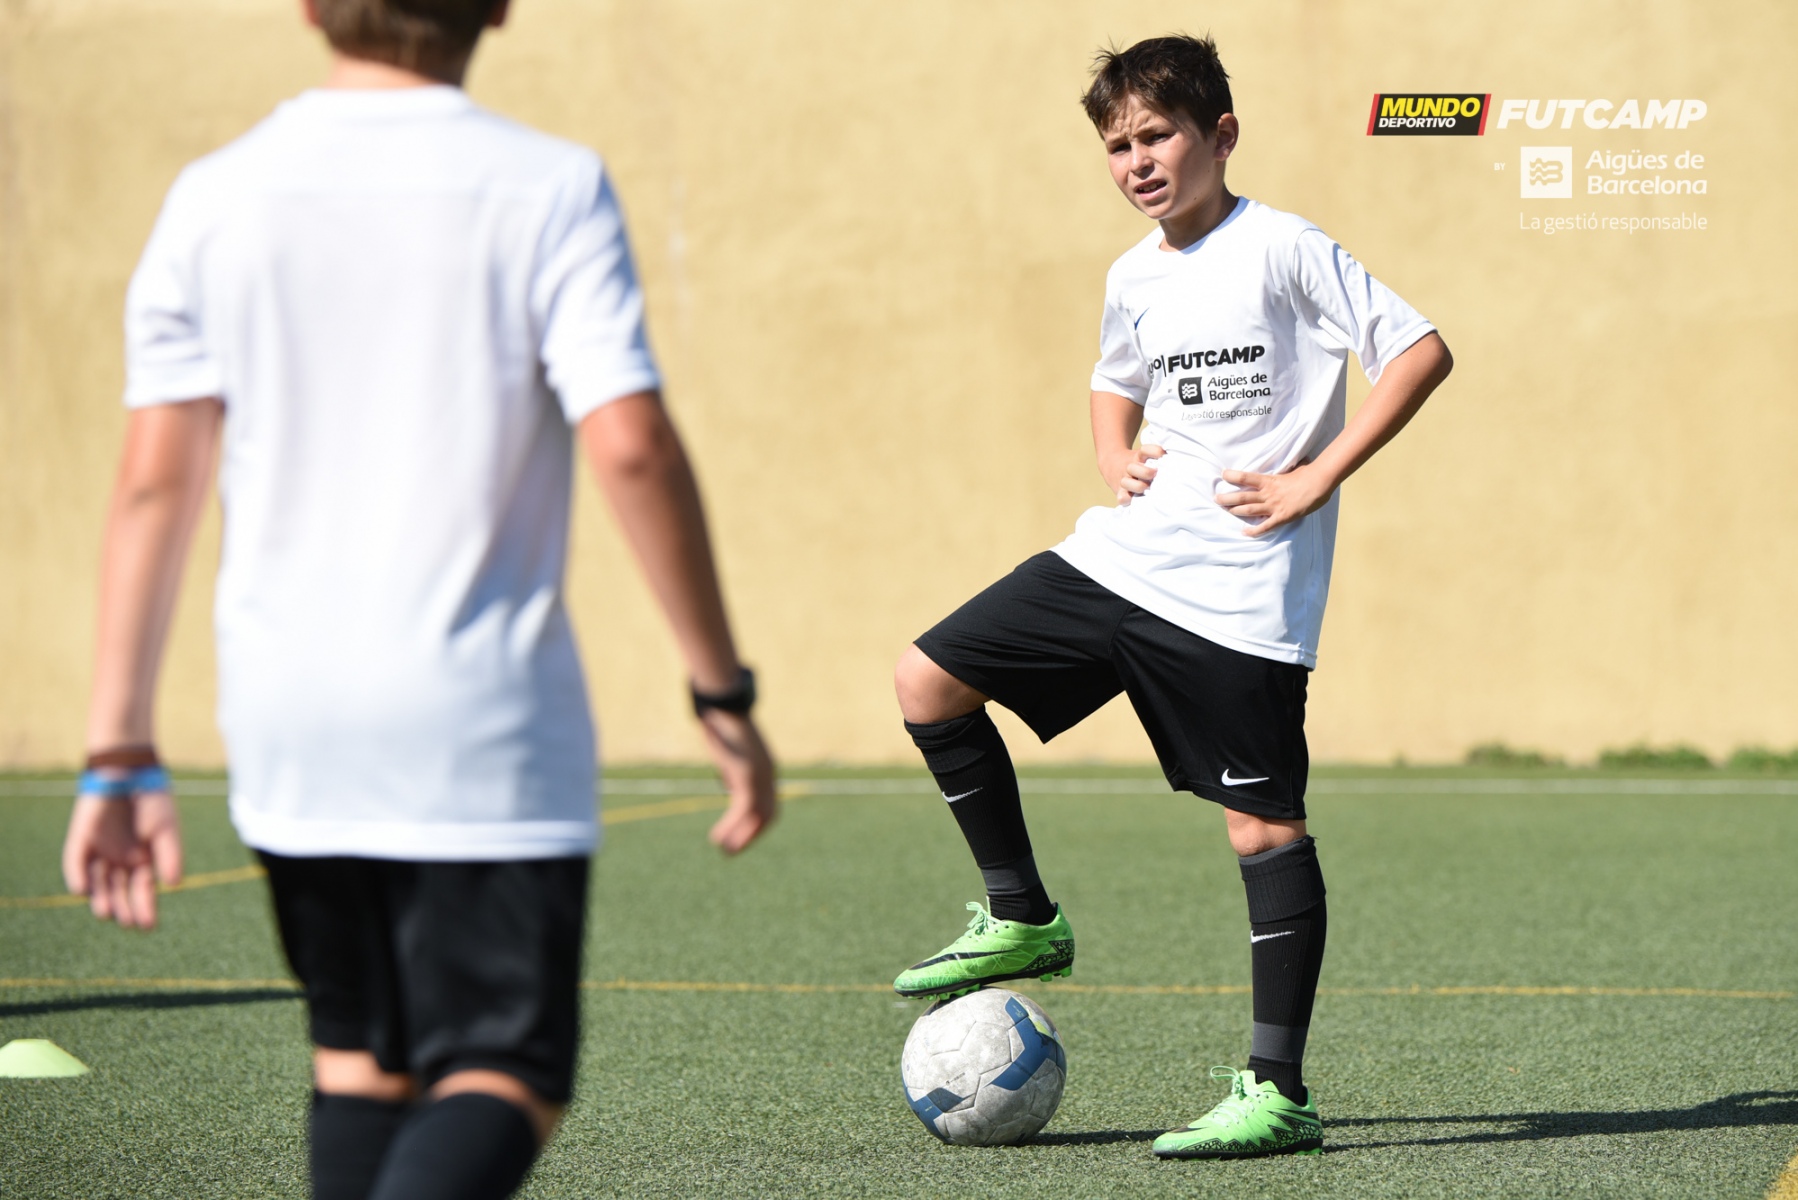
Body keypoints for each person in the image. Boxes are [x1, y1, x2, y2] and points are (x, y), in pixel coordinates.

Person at [59, 2, 777, 1197]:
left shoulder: (213, 196)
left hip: (289, 720)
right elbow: (633, 445)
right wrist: (721, 688)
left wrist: (117, 747)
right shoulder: (547, 185)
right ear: (496, 6)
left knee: (362, 1063)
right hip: (477, 726)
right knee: (510, 1068)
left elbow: (151, 484)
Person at [891, 34, 1452, 1160]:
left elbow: (1419, 351)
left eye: (1158, 136)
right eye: (1118, 145)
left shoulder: (1284, 247)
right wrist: (1112, 452)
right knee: (928, 680)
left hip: (1242, 591)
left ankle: (1276, 1092)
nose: (1138, 161)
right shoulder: (1132, 275)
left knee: (1263, 829)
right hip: (1126, 558)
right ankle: (1021, 915)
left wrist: (1317, 474)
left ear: (1220, 135)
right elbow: (1115, 377)